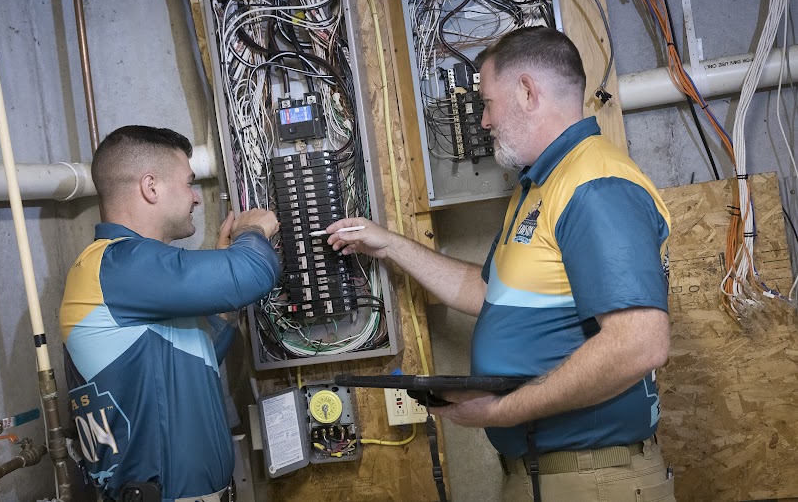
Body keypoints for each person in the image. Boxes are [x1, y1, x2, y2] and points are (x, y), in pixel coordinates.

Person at [325, 27, 675, 502]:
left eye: (487, 102)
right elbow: (488, 295)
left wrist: (501, 411)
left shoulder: (595, 187)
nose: (483, 121)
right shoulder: (538, 188)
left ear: (528, 91)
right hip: (542, 475)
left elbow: (640, 345)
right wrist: (388, 245)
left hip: (593, 479)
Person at [59, 126, 280, 502]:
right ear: (151, 187)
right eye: (189, 183)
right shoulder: (117, 264)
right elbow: (252, 272)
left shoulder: (130, 274)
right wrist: (253, 232)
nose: (196, 198)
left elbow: (193, 355)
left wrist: (223, 301)